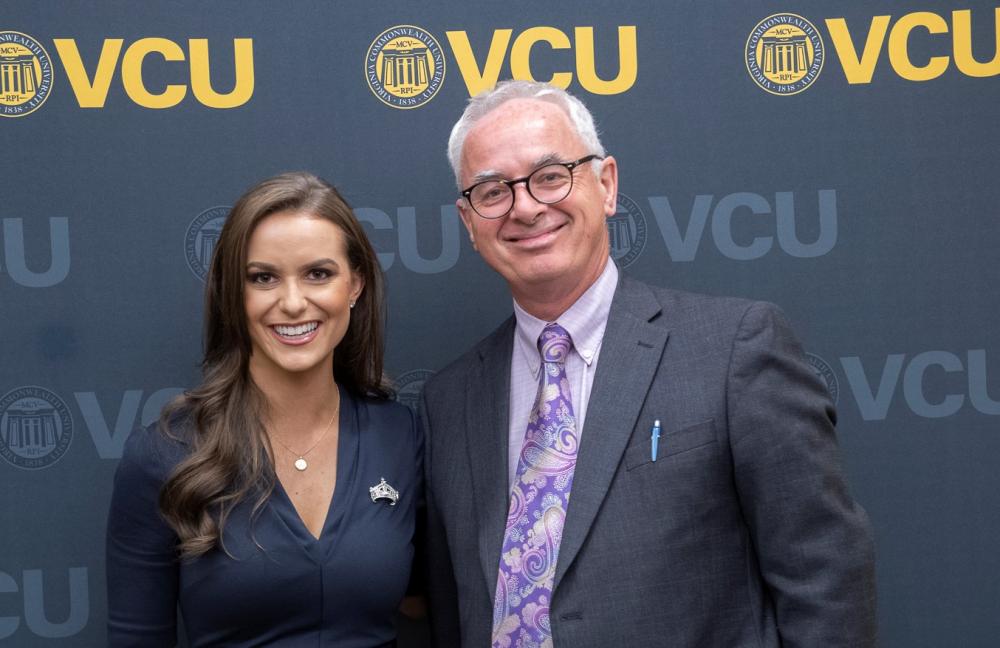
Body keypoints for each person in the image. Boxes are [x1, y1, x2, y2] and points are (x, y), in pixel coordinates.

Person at [420, 80, 877, 647]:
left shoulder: (734, 347)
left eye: (550, 176)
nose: (527, 206)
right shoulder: (450, 400)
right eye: (492, 191)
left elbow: (825, 577)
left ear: (606, 185)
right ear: (470, 222)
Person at [106, 172, 421, 647]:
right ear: (234, 293)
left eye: (319, 273)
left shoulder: (401, 435)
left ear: (354, 285)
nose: (293, 303)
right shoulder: (164, 454)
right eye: (263, 277)